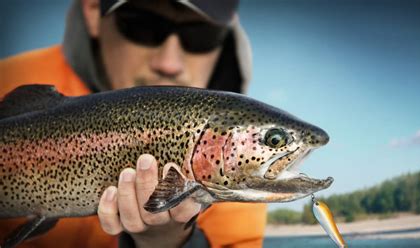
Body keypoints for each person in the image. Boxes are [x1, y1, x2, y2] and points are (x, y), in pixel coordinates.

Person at [0, 0, 267, 247]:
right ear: (93, 11)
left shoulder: (238, 154)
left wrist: (170, 243)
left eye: (201, 36)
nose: (169, 63)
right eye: (143, 26)